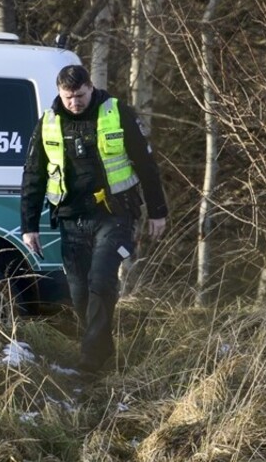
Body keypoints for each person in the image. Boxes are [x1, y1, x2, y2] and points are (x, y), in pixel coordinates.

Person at [21, 64, 167, 375]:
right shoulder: (48, 122)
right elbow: (32, 176)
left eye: (81, 95)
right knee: (79, 291)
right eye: (68, 96)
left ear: (91, 87)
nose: (75, 102)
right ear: (60, 92)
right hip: (71, 217)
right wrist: (29, 226)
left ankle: (90, 361)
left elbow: (146, 164)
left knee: (101, 279)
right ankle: (102, 349)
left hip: (115, 215)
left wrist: (158, 211)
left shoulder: (117, 112)